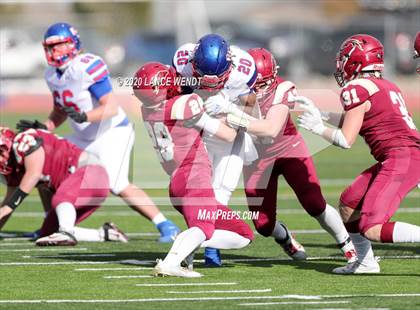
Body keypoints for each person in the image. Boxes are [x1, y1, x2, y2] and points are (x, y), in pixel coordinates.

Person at [16, 22, 179, 242]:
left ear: (72, 44)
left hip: (111, 132)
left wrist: (84, 117)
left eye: (58, 46)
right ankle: (50, 225)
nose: (53, 51)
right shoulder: (52, 75)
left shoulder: (86, 66)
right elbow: (60, 110)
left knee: (117, 183)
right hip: (84, 137)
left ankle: (166, 225)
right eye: (49, 47)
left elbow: (110, 107)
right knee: (45, 163)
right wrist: (45, 127)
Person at [295, 34, 420, 274]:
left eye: (344, 58)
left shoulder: (356, 88)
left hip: (402, 157)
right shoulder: (387, 85)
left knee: (371, 227)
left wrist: (317, 128)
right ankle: (365, 262)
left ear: (355, 60)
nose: (341, 64)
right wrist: (321, 114)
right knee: (349, 203)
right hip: (402, 155)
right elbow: (361, 119)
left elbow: (345, 139)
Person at [222, 48, 357, 266]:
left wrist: (234, 117)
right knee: (263, 225)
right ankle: (284, 236)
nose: (260, 88)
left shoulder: (282, 88)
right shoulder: (231, 89)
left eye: (265, 82)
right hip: (256, 158)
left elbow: (271, 129)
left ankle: (348, 245)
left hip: (288, 149)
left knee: (314, 203)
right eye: (255, 83)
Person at [133, 62, 254, 278]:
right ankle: (170, 262)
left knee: (243, 235)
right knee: (204, 228)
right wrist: (228, 109)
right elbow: (228, 135)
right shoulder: (185, 103)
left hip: (177, 181)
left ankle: (187, 242)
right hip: (194, 178)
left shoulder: (147, 110)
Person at [173, 33, 258, 264]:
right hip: (199, 129)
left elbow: (249, 106)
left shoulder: (244, 67)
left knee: (221, 192)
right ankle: (195, 240)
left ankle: (206, 246)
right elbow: (178, 99)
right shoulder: (182, 61)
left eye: (217, 79)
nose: (211, 85)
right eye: (204, 78)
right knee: (199, 192)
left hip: (229, 128)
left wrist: (229, 109)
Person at [0, 127, 127, 245]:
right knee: (49, 232)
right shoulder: (15, 168)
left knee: (61, 199)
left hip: (91, 172)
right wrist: (6, 210)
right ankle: (106, 234)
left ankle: (65, 232)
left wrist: (8, 208)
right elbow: (10, 201)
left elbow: (34, 174)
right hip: (77, 186)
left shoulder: (24, 140)